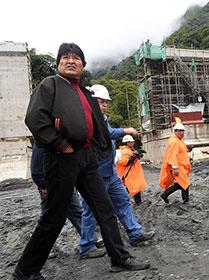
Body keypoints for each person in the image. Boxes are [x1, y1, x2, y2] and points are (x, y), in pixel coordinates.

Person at [15, 43, 149, 280]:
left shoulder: (85, 94)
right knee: (54, 216)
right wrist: (60, 144)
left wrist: (95, 153)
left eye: (76, 58)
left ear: (83, 65)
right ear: (58, 63)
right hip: (61, 157)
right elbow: (34, 119)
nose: (70, 61)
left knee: (105, 209)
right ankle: (26, 271)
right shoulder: (50, 85)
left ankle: (119, 258)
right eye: (65, 57)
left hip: (86, 159)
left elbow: (99, 128)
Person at [78, 84, 154, 258]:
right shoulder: (88, 118)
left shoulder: (102, 118)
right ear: (91, 101)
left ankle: (135, 233)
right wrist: (126, 130)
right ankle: (86, 246)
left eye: (106, 102)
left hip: (110, 172)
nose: (104, 105)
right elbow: (106, 133)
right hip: (95, 174)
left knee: (122, 201)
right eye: (101, 102)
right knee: (90, 210)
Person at [159, 122, 192, 204]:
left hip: (181, 166)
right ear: (175, 131)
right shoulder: (174, 141)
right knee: (185, 184)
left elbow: (181, 151)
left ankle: (165, 194)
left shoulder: (178, 140)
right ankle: (186, 201)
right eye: (180, 131)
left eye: (183, 131)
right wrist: (175, 167)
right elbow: (172, 155)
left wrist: (188, 149)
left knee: (181, 184)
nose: (182, 133)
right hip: (178, 166)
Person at [116, 135, 147, 205]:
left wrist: (139, 154)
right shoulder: (124, 151)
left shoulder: (130, 149)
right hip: (128, 173)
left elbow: (136, 158)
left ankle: (138, 202)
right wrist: (133, 156)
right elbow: (125, 162)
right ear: (127, 143)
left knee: (135, 187)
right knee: (130, 188)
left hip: (133, 173)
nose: (133, 143)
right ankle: (120, 200)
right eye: (131, 142)